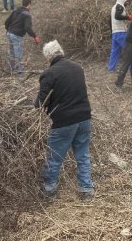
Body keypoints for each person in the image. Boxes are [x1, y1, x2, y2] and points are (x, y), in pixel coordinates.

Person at [36, 40, 93, 200]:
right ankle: (86, 190)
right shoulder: (78, 68)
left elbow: (41, 102)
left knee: (55, 157)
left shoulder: (49, 74)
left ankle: (49, 190)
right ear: (61, 52)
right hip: (84, 118)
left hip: (64, 122)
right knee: (83, 155)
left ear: (48, 57)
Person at [4, 0, 39, 73]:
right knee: (18, 53)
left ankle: (9, 68)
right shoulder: (27, 14)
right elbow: (27, 28)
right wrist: (34, 36)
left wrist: (8, 30)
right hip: (16, 35)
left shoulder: (15, 10)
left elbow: (7, 22)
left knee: (11, 52)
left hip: (9, 33)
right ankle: (20, 71)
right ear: (29, 4)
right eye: (31, 5)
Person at [108, 0, 131, 72]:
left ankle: (111, 68)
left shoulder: (114, 7)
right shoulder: (119, 6)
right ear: (123, 0)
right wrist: (128, 17)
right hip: (120, 32)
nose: (127, 4)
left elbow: (110, 21)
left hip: (115, 32)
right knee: (129, 49)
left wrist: (112, 32)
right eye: (127, 2)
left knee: (115, 51)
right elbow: (117, 16)